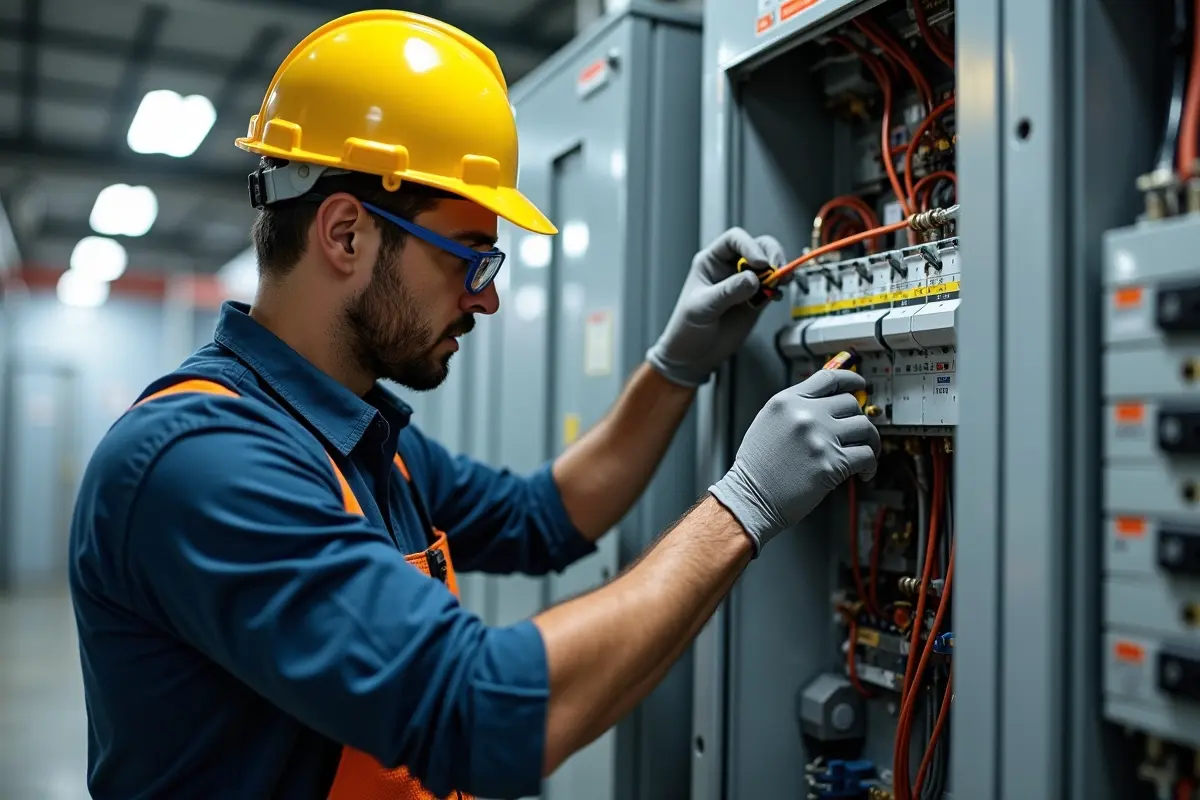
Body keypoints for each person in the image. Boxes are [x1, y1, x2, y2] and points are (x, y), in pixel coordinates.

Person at [67, 9, 880, 800]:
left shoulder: (359, 436)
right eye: (470, 259)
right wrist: (743, 506)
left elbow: (545, 517)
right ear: (346, 234)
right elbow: (479, 712)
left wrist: (676, 366)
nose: (484, 301)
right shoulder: (199, 460)